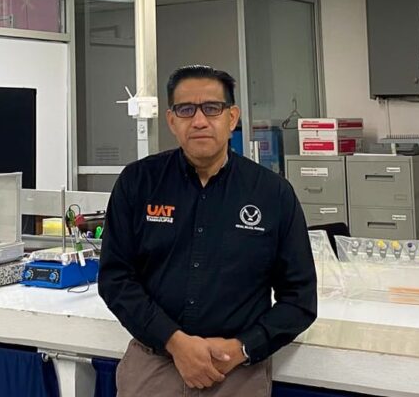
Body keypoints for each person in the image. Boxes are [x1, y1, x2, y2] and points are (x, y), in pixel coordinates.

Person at [98, 65, 317, 396]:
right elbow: (115, 279)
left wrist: (243, 347)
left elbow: (300, 299)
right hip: (155, 364)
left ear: (232, 118)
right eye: (186, 110)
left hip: (236, 372)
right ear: (171, 121)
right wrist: (174, 341)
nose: (199, 120)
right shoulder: (138, 183)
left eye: (212, 108)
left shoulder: (272, 194)